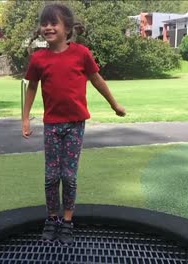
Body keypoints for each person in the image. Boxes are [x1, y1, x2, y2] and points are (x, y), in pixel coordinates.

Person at [22, 3, 126, 246]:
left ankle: (67, 221)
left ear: (66, 28)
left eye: (53, 23)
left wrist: (114, 104)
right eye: (44, 23)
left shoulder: (81, 54)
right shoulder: (39, 58)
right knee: (51, 177)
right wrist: (25, 118)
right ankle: (52, 218)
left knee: (68, 176)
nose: (47, 27)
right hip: (52, 126)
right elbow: (32, 88)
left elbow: (97, 79)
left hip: (75, 124)